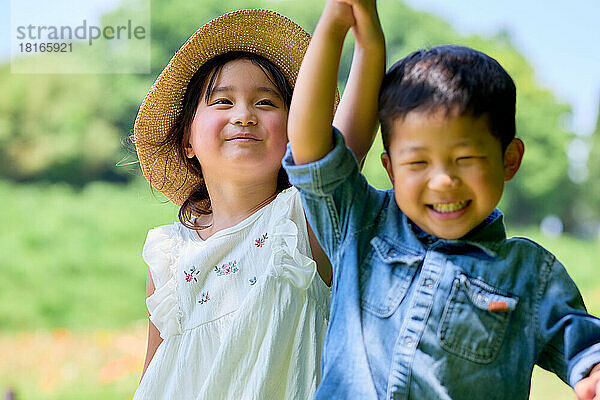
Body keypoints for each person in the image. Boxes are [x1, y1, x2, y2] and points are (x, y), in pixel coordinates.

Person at [283, 0, 600, 399]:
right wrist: (333, 27)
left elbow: (583, 342)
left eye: (465, 159)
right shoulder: (359, 223)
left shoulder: (529, 274)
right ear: (391, 167)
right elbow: (310, 146)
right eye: (418, 162)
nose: (444, 180)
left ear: (510, 159)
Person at [131, 8, 384, 400]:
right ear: (187, 142)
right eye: (222, 102)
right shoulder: (169, 255)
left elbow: (350, 140)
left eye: (266, 103)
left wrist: (356, 39)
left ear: (294, 133)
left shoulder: (302, 218)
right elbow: (153, 378)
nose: (244, 115)